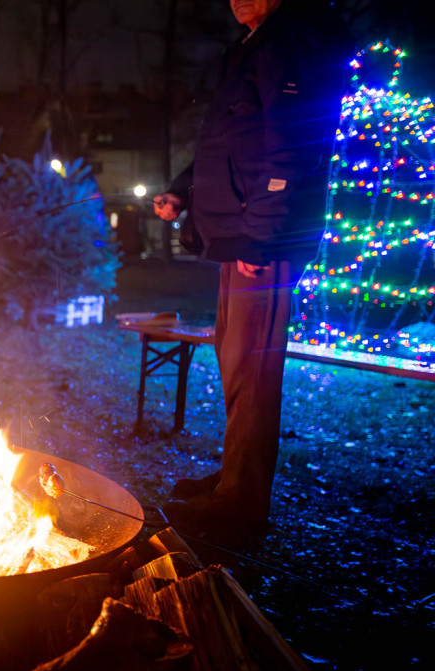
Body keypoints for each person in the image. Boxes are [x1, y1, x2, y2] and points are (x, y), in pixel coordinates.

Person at [152, 0, 351, 534]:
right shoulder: (252, 47)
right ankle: (232, 480)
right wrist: (182, 191)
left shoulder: (291, 43)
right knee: (235, 357)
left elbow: (289, 146)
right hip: (238, 234)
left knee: (253, 369)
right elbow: (230, 141)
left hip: (263, 239)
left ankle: (241, 503)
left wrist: (262, 235)